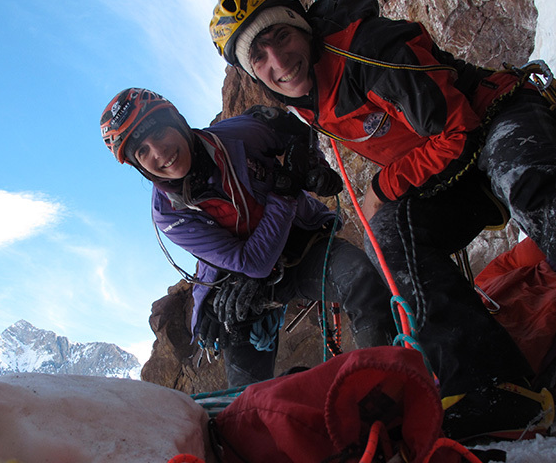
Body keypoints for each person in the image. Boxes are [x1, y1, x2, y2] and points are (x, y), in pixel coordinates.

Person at [209, 0, 556, 439]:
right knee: (387, 236)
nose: (278, 62)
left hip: (497, 118)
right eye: (258, 56)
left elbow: (458, 130)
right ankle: (492, 388)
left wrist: (383, 184)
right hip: (460, 172)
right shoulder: (310, 100)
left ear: (303, 29)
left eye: (281, 37)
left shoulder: (367, 50)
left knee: (527, 183)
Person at [100, 88, 396, 387]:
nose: (159, 152)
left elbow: (297, 131)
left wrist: (313, 165)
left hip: (303, 245)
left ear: (176, 120)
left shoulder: (240, 135)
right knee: (246, 392)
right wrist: (285, 191)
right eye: (143, 152)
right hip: (238, 282)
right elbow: (251, 262)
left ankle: (390, 390)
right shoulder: (168, 214)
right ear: (138, 165)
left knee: (361, 277)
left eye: (159, 132)